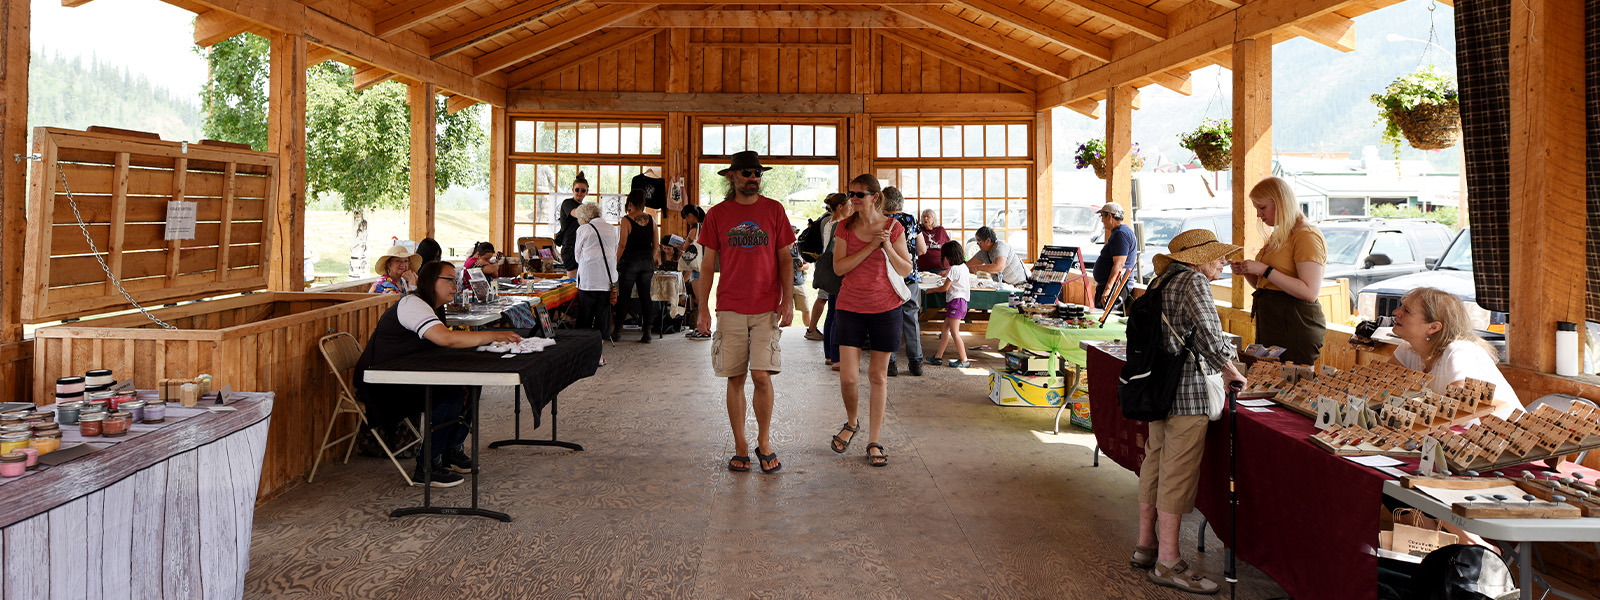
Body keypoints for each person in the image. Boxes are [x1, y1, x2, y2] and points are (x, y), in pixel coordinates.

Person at [1132, 229, 1247, 595]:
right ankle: (1168, 561)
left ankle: (1145, 546)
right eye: (1216, 255)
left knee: (1155, 463)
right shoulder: (1194, 282)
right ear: (1197, 257)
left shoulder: (1161, 281)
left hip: (1159, 391)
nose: (1222, 261)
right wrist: (1233, 373)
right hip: (1189, 394)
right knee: (1177, 474)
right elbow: (1212, 339)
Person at [354, 261, 522, 487]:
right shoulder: (412, 304)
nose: (456, 285)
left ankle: (451, 449)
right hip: (383, 383)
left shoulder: (433, 306)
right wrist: (493, 336)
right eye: (450, 280)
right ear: (431, 281)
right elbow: (446, 339)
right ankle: (427, 466)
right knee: (450, 393)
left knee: (471, 384)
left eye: (456, 280)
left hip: (408, 374)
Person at [694, 151, 795, 474]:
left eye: (757, 173)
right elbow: (707, 265)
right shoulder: (717, 214)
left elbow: (785, 259)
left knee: (762, 376)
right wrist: (703, 310)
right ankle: (740, 445)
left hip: (766, 307)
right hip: (730, 307)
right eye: (747, 173)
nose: (753, 178)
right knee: (735, 377)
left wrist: (788, 300)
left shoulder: (774, 210)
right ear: (732, 177)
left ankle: (763, 441)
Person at [828, 174, 914, 468]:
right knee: (848, 377)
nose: (853, 199)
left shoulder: (893, 227)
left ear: (875, 197)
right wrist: (870, 248)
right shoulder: (843, 227)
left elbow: (905, 270)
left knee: (878, 376)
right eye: (851, 194)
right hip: (851, 307)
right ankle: (852, 422)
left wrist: (887, 247)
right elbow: (839, 269)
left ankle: (873, 440)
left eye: (859, 194)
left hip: (885, 309)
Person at [1230, 176, 1327, 365]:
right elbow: (1264, 284)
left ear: (1281, 203)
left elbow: (1309, 292)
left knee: (1289, 387)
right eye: (1256, 208)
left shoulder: (1306, 235)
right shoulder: (1280, 234)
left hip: (1296, 322)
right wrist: (1249, 272)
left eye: (1262, 207)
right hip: (1271, 319)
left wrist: (1265, 270)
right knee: (1267, 383)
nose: (1258, 214)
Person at [1387, 287, 1519, 418]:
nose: (1396, 312)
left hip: (1504, 434)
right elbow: (1382, 385)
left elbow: (1458, 411)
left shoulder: (1459, 351)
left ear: (1433, 327)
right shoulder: (1409, 348)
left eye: (1407, 311)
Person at [881, 187, 923, 377]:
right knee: (911, 318)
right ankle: (916, 363)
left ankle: (890, 364)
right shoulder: (911, 220)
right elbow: (922, 249)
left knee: (889, 318)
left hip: (888, 276)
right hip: (910, 277)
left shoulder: (880, 221)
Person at [573, 203, 619, 364]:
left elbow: (577, 256)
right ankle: (598, 355)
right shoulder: (612, 229)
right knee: (602, 317)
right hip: (606, 280)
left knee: (586, 317)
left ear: (584, 217)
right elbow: (614, 252)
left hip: (588, 280)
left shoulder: (583, 230)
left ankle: (584, 355)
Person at [614, 189, 659, 343]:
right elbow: (656, 246)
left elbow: (622, 244)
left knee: (624, 297)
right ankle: (647, 332)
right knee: (645, 296)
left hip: (630, 262)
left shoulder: (626, 220)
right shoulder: (651, 220)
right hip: (647, 262)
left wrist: (616, 262)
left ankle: (618, 331)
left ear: (630, 203)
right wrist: (648, 259)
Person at [816, 193, 853, 369]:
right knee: (838, 315)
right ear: (840, 207)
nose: (851, 208)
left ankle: (830, 355)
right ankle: (837, 358)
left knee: (831, 313)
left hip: (829, 271)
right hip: (838, 272)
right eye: (849, 205)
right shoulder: (841, 225)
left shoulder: (827, 223)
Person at [924, 241, 971, 368]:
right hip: (960, 302)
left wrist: (932, 290)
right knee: (945, 329)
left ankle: (964, 359)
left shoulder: (954, 269)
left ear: (948, 257)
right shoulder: (964, 267)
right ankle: (938, 356)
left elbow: (945, 288)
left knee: (955, 332)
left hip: (956, 302)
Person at [1094, 202, 1137, 312]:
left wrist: (1108, 289)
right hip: (1114, 287)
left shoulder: (1121, 234)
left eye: (1102, 216)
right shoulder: (1120, 232)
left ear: (1109, 216)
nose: (1102, 220)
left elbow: (1119, 264)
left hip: (1115, 288)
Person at [679, 204, 709, 340]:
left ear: (690, 216)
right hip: (705, 263)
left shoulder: (695, 228)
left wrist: (680, 245)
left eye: (686, 218)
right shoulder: (706, 225)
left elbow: (686, 246)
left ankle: (703, 329)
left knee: (699, 299)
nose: (687, 221)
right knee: (702, 298)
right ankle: (700, 328)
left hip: (697, 265)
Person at [554, 173, 590, 279]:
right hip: (570, 247)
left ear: (587, 192)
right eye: (577, 190)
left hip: (582, 246)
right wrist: (591, 213)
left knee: (581, 279)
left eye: (583, 190)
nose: (579, 193)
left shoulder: (584, 207)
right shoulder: (567, 203)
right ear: (572, 190)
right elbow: (577, 213)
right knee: (573, 280)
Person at [790, 226, 812, 331]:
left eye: (794, 234)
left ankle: (810, 330)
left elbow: (808, 265)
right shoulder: (781, 247)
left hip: (799, 283)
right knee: (787, 312)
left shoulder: (799, 247)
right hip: (785, 285)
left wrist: (801, 267)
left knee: (806, 310)